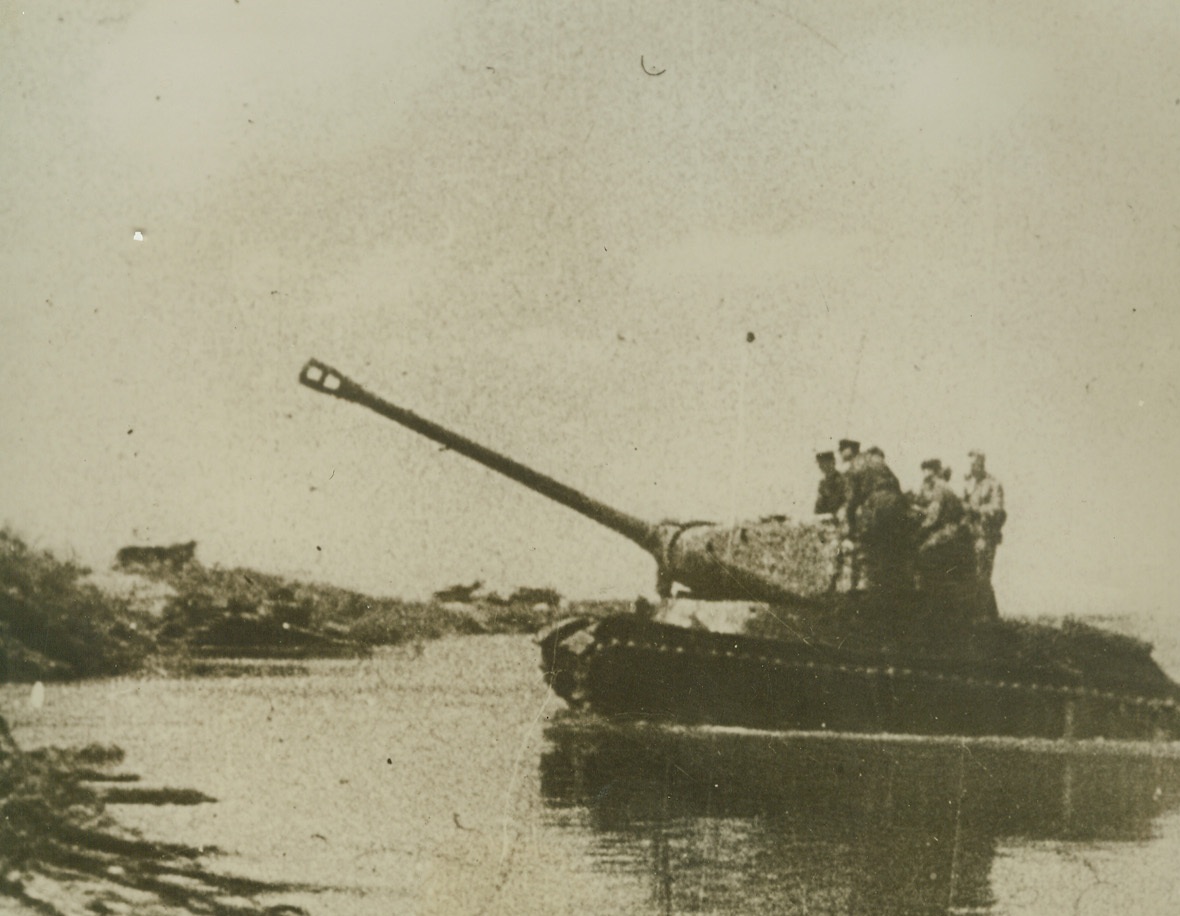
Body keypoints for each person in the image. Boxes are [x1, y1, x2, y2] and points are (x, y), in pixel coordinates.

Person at [838, 439, 910, 592]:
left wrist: (851, 528)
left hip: (878, 502)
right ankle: (898, 587)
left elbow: (851, 501)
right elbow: (896, 483)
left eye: (842, 449)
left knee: (868, 543)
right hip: (896, 501)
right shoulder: (876, 460)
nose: (840, 453)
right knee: (893, 545)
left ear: (849, 451)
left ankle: (867, 587)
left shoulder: (854, 466)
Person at [913, 459, 973, 592]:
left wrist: (918, 533)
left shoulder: (939, 488)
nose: (924, 475)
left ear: (932, 472)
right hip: (954, 532)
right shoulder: (944, 486)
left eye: (926, 471)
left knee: (920, 553)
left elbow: (933, 517)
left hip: (947, 532)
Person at [813, 451, 845, 516]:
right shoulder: (823, 483)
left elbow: (844, 502)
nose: (820, 466)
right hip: (826, 518)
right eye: (819, 463)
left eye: (823, 462)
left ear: (832, 462)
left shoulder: (842, 480)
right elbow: (819, 506)